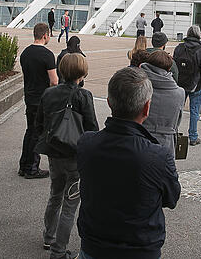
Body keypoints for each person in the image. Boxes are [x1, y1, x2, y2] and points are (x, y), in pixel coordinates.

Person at [77, 67, 181, 259]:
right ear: (146, 108)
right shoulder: (158, 156)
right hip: (140, 248)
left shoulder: (86, 143)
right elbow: (171, 199)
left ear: (109, 103)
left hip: (94, 246)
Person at [35, 53, 99, 259]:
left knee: (55, 195)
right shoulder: (83, 96)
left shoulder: (49, 93)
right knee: (70, 204)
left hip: (54, 153)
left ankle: (49, 236)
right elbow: (92, 129)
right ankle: (59, 250)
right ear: (82, 72)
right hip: (75, 155)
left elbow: (39, 125)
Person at [19, 23, 58, 179]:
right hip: (42, 100)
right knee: (38, 134)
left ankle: (24, 164)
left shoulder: (25, 53)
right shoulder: (47, 55)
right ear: (45, 35)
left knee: (30, 131)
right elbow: (54, 81)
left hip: (29, 97)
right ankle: (32, 168)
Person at [141, 50, 185, 154]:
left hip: (140, 138)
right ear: (169, 68)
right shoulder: (179, 93)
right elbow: (177, 121)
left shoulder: (138, 86)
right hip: (166, 141)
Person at [173, 25, 201, 146]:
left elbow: (173, 65)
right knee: (194, 110)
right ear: (199, 35)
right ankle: (193, 137)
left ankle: (173, 133)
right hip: (196, 84)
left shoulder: (179, 48)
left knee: (177, 109)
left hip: (180, 83)